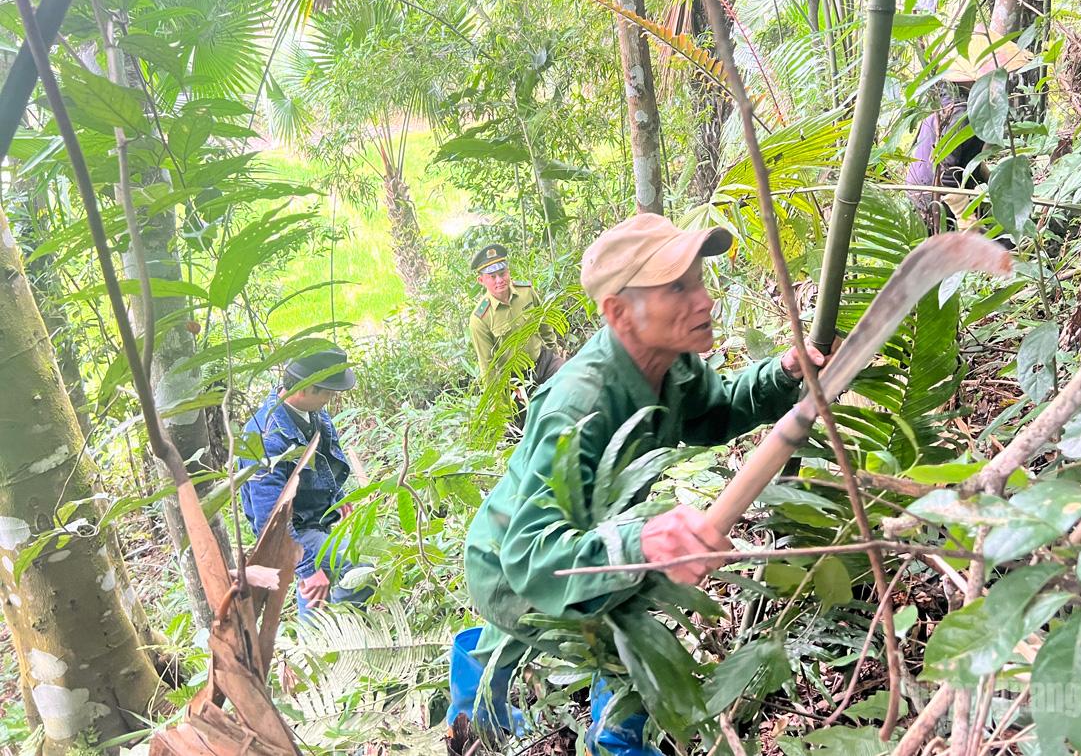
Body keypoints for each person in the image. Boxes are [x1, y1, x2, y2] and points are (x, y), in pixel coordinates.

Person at [446, 214, 827, 755]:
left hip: (583, 542)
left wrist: (782, 374)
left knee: (527, 644)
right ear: (619, 312)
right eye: (677, 289)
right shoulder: (580, 405)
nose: (704, 301)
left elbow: (714, 412)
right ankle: (532, 731)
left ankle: (479, 711)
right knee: (623, 657)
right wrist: (642, 543)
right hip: (513, 565)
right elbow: (531, 555)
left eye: (698, 282)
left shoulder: (671, 364)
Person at [239, 346, 372, 619]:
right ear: (304, 390)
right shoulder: (266, 439)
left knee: (319, 593)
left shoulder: (313, 413)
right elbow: (270, 522)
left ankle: (322, 633)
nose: (331, 399)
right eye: (327, 393)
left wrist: (337, 497)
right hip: (293, 530)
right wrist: (308, 570)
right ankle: (339, 629)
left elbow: (325, 459)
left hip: (313, 517)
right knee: (359, 570)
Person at [906, 31, 1032, 233]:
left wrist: (999, 187)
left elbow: (967, 159)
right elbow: (946, 172)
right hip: (934, 198)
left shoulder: (947, 104)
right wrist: (967, 220)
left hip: (925, 191)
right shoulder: (960, 114)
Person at [468, 243, 565, 388]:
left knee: (572, 379)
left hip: (544, 362)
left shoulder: (526, 292)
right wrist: (501, 396)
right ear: (481, 281)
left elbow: (544, 325)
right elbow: (487, 366)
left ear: (508, 271)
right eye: (492, 277)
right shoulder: (480, 319)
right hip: (516, 379)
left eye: (502, 273)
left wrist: (554, 353)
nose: (499, 280)